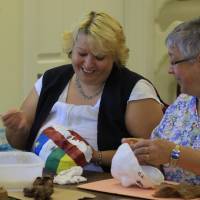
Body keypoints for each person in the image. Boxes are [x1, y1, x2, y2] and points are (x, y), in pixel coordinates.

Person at [1, 11, 163, 172]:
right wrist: (19, 129)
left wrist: (95, 156)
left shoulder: (135, 91)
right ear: (72, 50)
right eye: (82, 53)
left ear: (115, 56)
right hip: (42, 181)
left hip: (103, 188)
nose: (88, 63)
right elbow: (19, 144)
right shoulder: (51, 79)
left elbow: (155, 156)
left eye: (99, 57)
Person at [123, 17, 200, 184]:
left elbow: (171, 152)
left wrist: (173, 153)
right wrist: (145, 152)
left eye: (174, 61)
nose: (169, 70)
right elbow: (161, 153)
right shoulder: (183, 103)